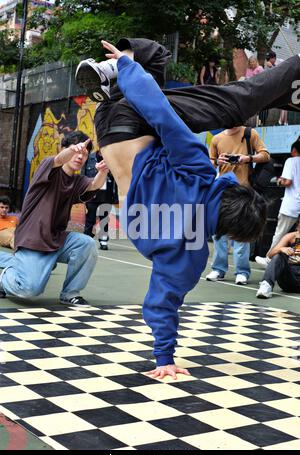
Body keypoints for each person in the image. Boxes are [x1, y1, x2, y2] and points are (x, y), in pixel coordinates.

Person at [75, 40, 273, 380]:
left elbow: (163, 117)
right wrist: (163, 357)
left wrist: (129, 67)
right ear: (228, 230)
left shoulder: (199, 173)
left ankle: (118, 68)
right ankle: (113, 80)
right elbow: (161, 301)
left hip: (132, 121)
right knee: (168, 116)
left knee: (155, 59)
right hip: (105, 128)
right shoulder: (191, 255)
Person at [0, 132, 109, 305]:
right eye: (75, 151)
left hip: (57, 239)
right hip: (33, 239)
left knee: (86, 244)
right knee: (29, 289)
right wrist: (73, 149)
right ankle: (5, 278)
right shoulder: (47, 167)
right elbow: (58, 160)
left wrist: (103, 171)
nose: (80, 156)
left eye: (84, 154)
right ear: (64, 149)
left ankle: (70, 293)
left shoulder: (77, 181)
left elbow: (94, 184)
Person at [206, 126, 270, 285]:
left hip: (244, 192)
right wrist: (217, 161)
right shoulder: (216, 139)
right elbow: (209, 163)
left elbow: (265, 155)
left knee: (242, 232)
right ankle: (218, 269)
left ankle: (242, 271)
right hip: (223, 191)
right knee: (218, 232)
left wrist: (247, 158)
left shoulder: (250, 133)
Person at [256, 139, 300, 268]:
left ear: (293, 151)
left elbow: (288, 182)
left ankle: (269, 259)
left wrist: (279, 181)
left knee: (280, 233)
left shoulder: (291, 161)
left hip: (291, 205)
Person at [82, 148, 118, 250]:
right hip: (91, 195)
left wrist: (108, 170)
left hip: (106, 195)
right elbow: (83, 175)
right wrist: (83, 193)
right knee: (90, 218)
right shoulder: (89, 158)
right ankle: (86, 240)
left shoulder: (111, 159)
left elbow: (116, 176)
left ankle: (103, 241)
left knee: (104, 219)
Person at [256, 215, 300, 298]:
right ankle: (266, 285)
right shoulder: (290, 236)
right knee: (279, 255)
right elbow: (269, 255)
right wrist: (281, 249)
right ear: (298, 223)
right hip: (289, 279)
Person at [266, 51, 288, 125]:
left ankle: (283, 120)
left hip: (284, 84)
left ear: (274, 58)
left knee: (284, 102)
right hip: (277, 87)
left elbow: (280, 72)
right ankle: (283, 121)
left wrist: (272, 67)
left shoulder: (280, 62)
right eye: (267, 59)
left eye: (269, 59)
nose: (268, 61)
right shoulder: (269, 64)